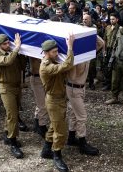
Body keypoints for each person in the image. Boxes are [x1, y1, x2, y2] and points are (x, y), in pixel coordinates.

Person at [39, 36, 75, 172]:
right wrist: (70, 47)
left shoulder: (52, 61)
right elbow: (67, 65)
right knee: (60, 131)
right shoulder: (46, 67)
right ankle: (57, 155)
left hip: (58, 98)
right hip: (54, 100)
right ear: (47, 53)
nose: (57, 53)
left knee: (54, 126)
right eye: (54, 52)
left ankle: (46, 150)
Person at [65, 35, 104, 156]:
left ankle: (71, 137)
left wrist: (87, 33)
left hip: (80, 88)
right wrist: (70, 47)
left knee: (72, 112)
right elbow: (71, 75)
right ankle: (82, 143)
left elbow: (101, 43)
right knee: (82, 116)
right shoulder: (73, 57)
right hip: (73, 88)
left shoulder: (87, 54)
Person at [0, 33, 26, 158]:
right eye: (5, 44)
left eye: (8, 43)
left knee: (12, 112)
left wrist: (21, 54)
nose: (7, 45)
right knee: (13, 115)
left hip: (16, 87)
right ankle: (13, 142)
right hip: (6, 88)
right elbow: (7, 61)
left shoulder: (13, 54)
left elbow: (22, 67)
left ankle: (7, 133)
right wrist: (17, 48)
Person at [30, 57, 49, 138]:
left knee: (40, 103)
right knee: (42, 105)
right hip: (37, 78)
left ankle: (37, 122)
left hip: (44, 78)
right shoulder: (34, 50)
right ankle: (42, 126)